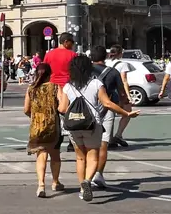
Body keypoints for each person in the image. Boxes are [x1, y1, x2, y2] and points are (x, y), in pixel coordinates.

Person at [58, 53, 139, 202]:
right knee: (93, 155)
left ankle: (82, 189)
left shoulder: (68, 86)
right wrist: (126, 113)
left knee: (80, 158)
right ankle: (88, 181)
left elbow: (62, 109)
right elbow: (107, 103)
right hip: (92, 124)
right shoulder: (96, 83)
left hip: (74, 126)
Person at [90, 45, 128, 189]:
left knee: (87, 145)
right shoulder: (113, 72)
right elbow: (122, 93)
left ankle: (87, 175)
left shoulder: (84, 71)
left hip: (86, 110)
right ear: (105, 57)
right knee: (103, 144)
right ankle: (98, 174)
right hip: (107, 110)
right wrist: (123, 102)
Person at [24, 62, 63, 197]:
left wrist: (35, 115)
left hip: (37, 125)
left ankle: (41, 184)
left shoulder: (31, 89)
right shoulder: (55, 87)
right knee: (55, 154)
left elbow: (26, 109)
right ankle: (55, 182)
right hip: (53, 125)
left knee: (41, 154)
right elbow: (62, 107)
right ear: (49, 74)